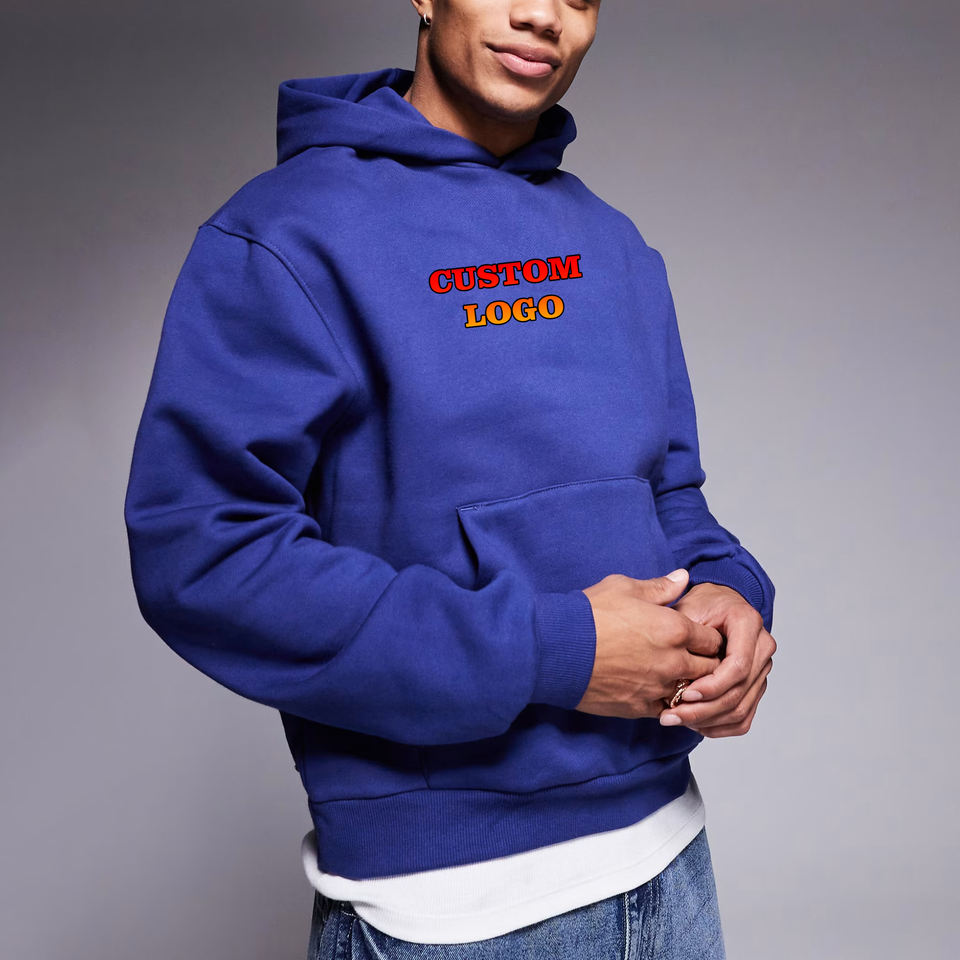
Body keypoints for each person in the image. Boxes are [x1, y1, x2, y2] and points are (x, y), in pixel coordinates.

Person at [123, 0, 777, 956]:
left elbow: (669, 495)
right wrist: (552, 649)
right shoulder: (287, 234)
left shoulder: (612, 243)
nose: (541, 16)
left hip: (671, 858)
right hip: (449, 910)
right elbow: (205, 556)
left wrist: (730, 591)